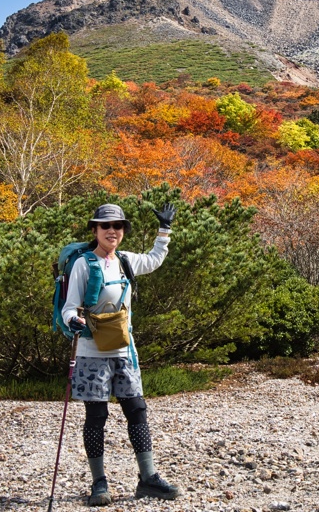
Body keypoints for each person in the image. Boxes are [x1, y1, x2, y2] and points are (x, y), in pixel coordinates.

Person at [61, 202, 180, 506]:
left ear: (123, 230)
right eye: (105, 226)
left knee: (137, 410)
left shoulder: (125, 260)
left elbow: (154, 259)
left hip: (125, 352)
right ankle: (99, 483)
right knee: (96, 416)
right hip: (91, 353)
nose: (112, 231)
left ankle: (148, 478)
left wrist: (164, 230)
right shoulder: (83, 265)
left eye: (117, 226)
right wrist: (72, 319)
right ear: (95, 230)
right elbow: (69, 307)